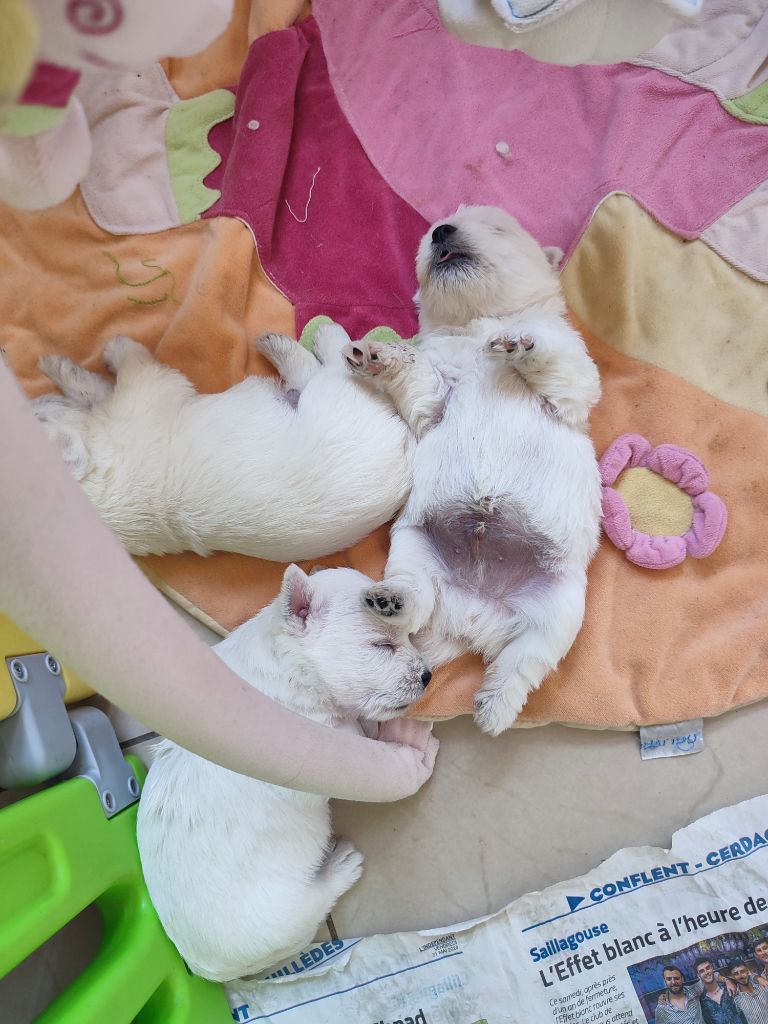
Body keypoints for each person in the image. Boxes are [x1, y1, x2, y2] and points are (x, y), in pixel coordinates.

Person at [0, 357, 438, 803]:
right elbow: (149, 383)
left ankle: (317, 372)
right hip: (344, 453)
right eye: (383, 645)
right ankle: (318, 370)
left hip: (346, 463)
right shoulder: (116, 462)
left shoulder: (100, 513)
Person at [694, 958, 747, 1024]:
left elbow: (745, 1012)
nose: (706, 972)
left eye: (708, 968)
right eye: (702, 971)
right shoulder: (702, 1001)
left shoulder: (730, 988)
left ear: (712, 968)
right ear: (698, 976)